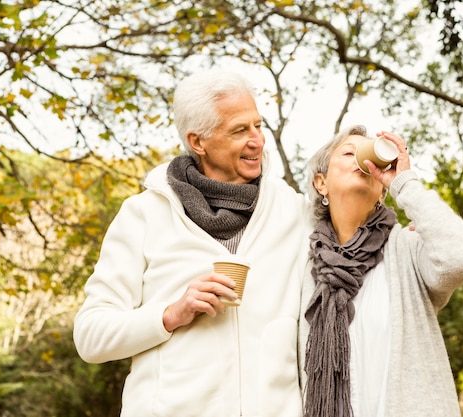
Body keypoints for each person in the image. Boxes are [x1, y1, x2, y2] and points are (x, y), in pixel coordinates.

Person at [73, 71, 312, 417]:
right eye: (239, 130)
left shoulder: (295, 213)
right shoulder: (144, 214)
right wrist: (170, 314)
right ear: (198, 142)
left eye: (258, 126)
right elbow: (90, 337)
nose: (257, 141)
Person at [298, 125, 463, 417]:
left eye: (368, 153)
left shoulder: (408, 248)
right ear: (321, 183)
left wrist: (404, 182)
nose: (361, 160)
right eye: (349, 152)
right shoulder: (304, 264)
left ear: (382, 191)